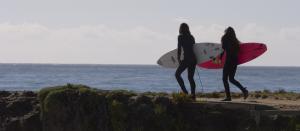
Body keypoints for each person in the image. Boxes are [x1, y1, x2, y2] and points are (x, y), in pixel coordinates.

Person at [220, 26, 248, 101]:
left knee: (224, 79)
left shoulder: (224, 38)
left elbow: (223, 48)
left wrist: (220, 58)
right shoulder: (235, 40)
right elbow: (239, 51)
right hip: (235, 61)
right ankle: (244, 90)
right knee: (231, 79)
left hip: (228, 60)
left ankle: (228, 97)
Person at [175, 23, 197, 100]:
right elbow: (195, 48)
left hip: (186, 59)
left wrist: (178, 59)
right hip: (193, 59)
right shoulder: (191, 37)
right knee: (190, 78)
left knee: (177, 74)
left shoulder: (180, 37)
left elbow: (179, 49)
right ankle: (193, 95)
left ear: (180, 29)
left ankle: (185, 92)